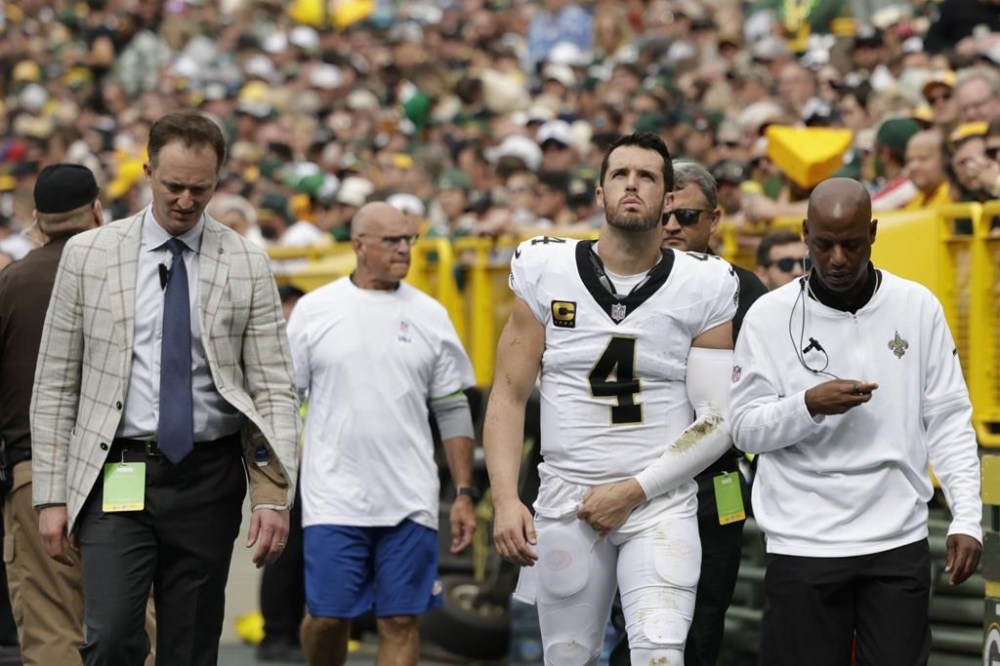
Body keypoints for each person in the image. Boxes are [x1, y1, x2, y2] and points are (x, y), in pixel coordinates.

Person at [31, 110, 300, 666]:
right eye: (173, 185)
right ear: (147, 171)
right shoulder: (88, 256)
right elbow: (55, 383)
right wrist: (51, 495)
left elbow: (273, 386)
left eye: (199, 189)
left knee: (191, 645)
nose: (184, 200)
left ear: (218, 180)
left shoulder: (247, 261)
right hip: (115, 473)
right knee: (108, 637)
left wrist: (274, 495)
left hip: (208, 476)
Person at [484, 133, 739, 664]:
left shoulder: (705, 283)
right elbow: (508, 395)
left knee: (660, 654)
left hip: (658, 501)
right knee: (568, 656)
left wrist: (633, 489)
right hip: (565, 498)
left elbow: (718, 419)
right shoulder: (543, 268)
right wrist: (507, 498)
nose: (632, 185)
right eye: (620, 174)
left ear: (668, 199)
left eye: (647, 176)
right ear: (599, 193)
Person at [730, 177, 982, 665]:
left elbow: (948, 419)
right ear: (805, 234)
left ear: (873, 232)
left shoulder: (917, 306)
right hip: (803, 542)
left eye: (851, 244)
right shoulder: (768, 315)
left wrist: (966, 516)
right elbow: (744, 428)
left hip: (896, 540)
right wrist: (807, 404)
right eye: (824, 245)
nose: (838, 259)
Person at [289, 201, 477, 666]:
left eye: (408, 238)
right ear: (358, 245)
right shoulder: (315, 311)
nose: (403, 249)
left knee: (399, 621)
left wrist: (465, 492)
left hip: (409, 497)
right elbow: (282, 402)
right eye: (391, 240)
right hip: (333, 496)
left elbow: (453, 410)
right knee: (329, 618)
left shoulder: (431, 315)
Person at [0, 164, 108, 665]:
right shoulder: (130, 278)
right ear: (97, 210)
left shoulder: (10, 284)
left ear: (36, 221)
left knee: (49, 632)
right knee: (134, 629)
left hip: (36, 470)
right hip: (125, 468)